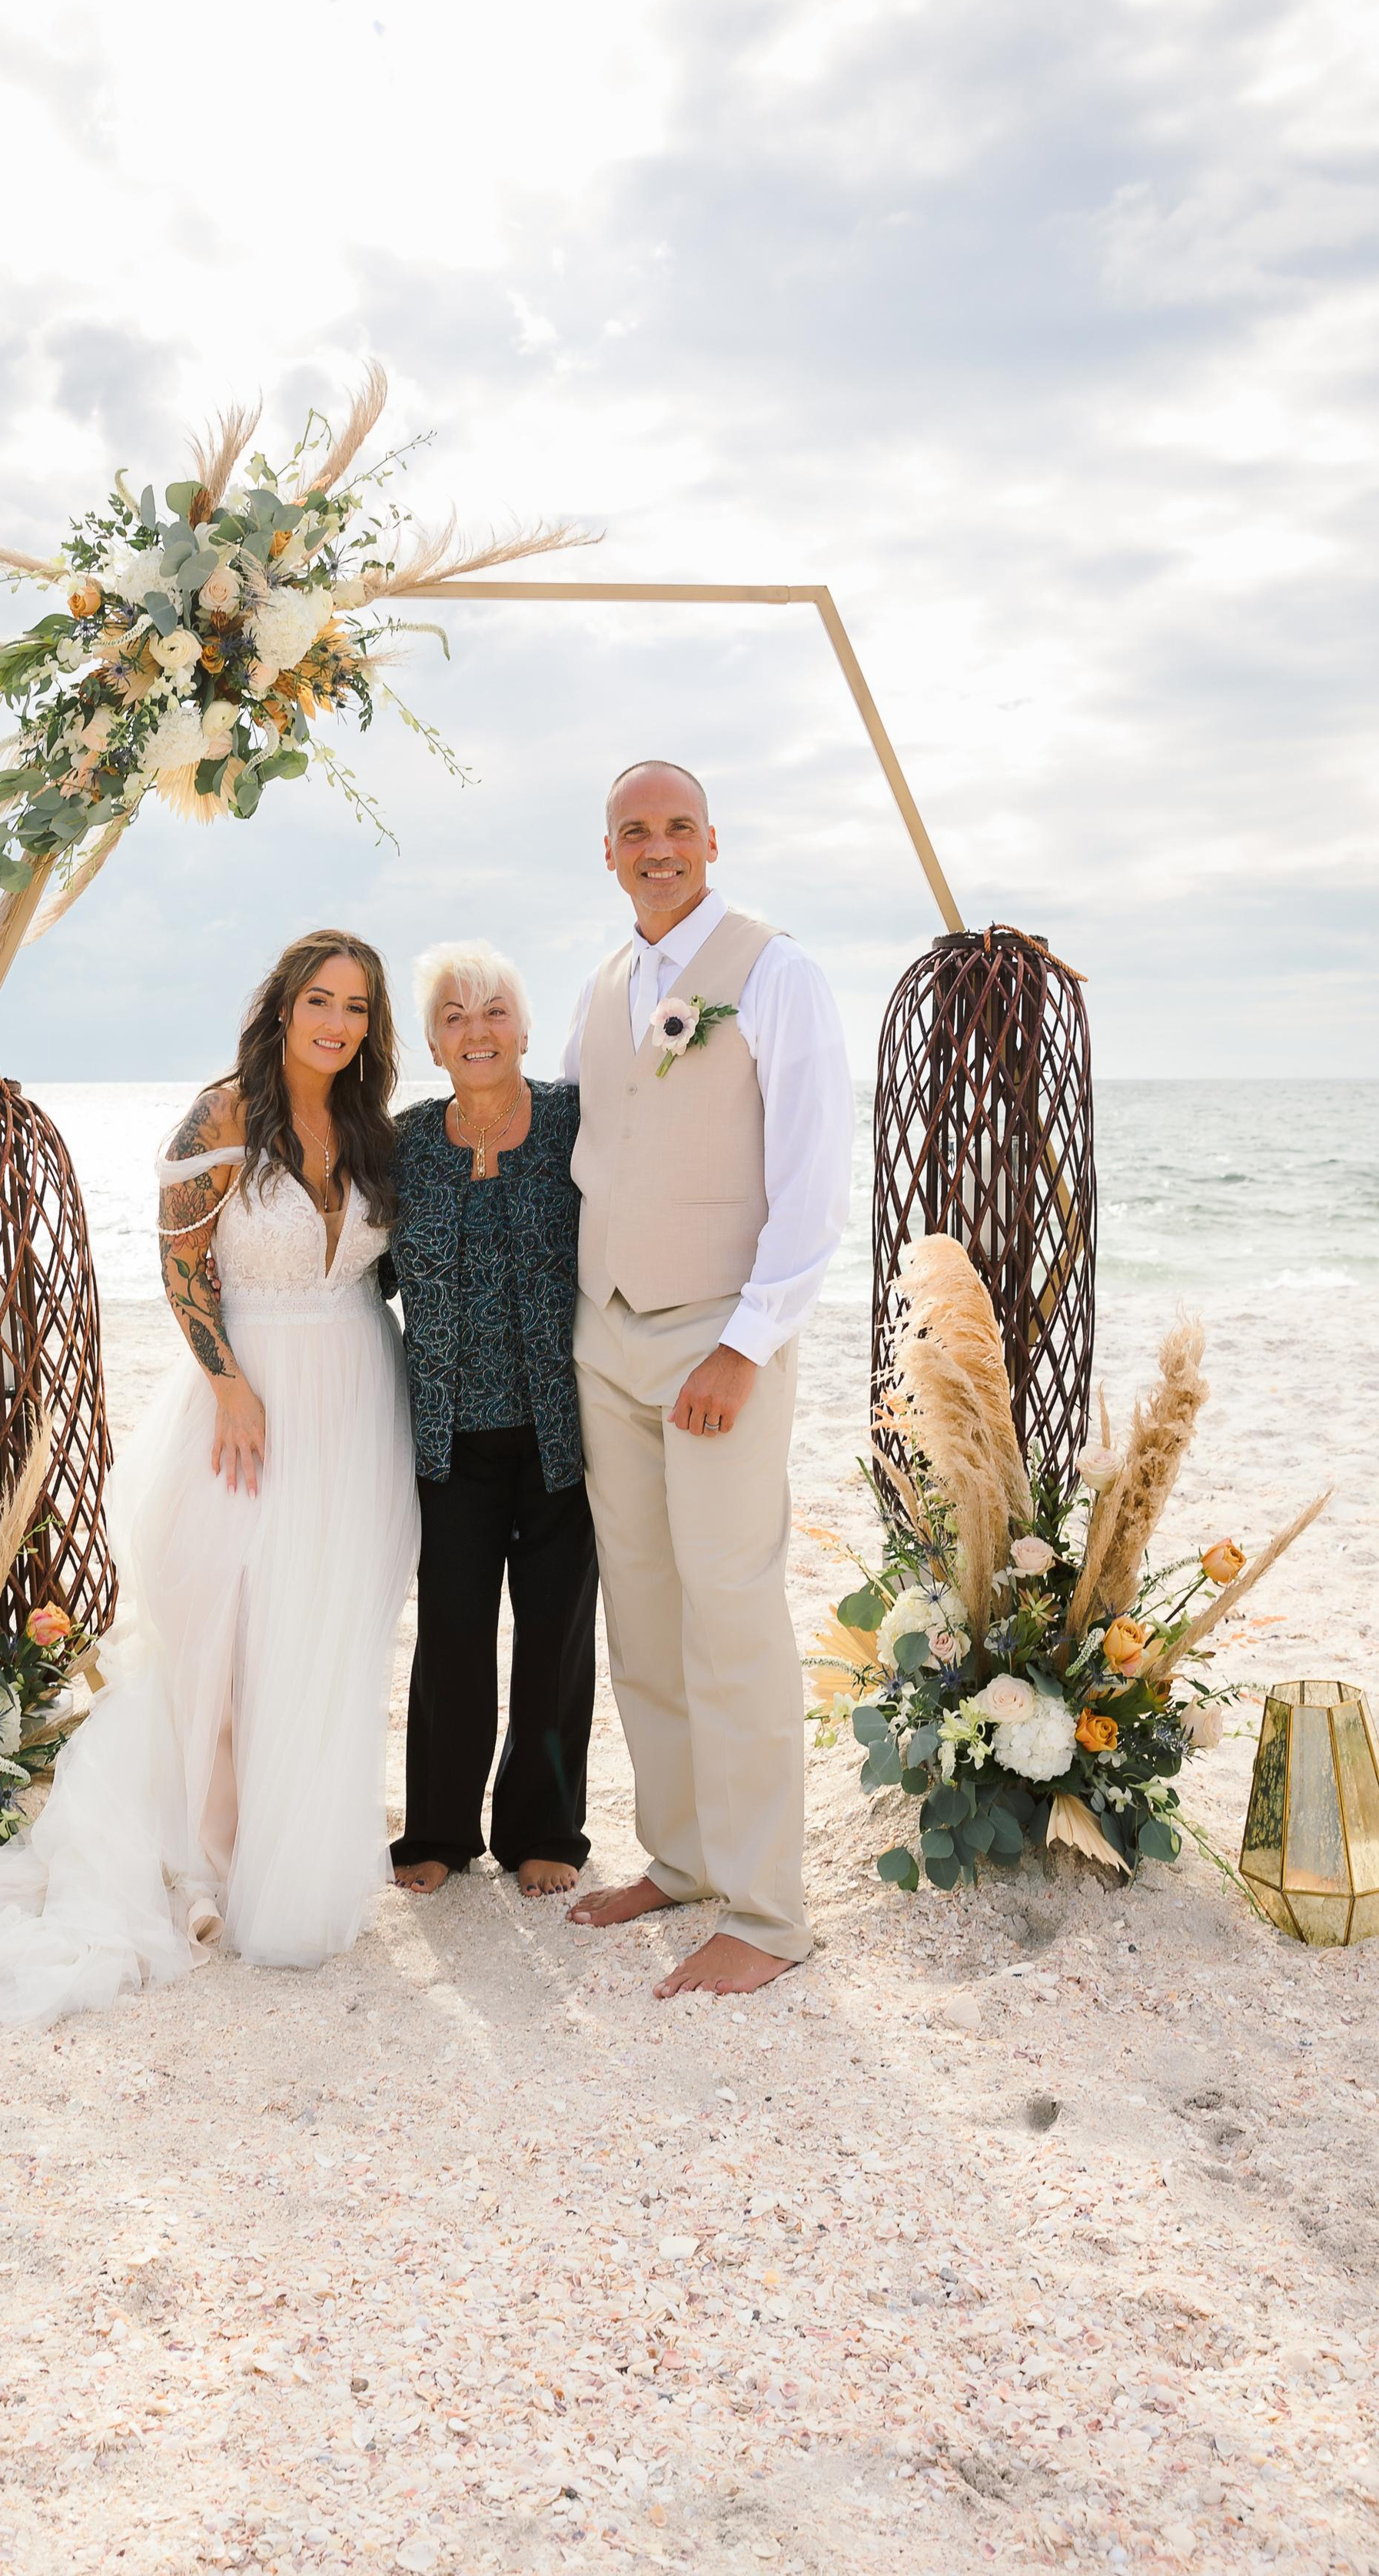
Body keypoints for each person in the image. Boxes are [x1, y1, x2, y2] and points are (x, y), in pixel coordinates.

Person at [0, 929, 419, 2021]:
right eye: (321, 1000)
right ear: (281, 1009)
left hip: (359, 1390)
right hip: (247, 1391)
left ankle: (291, 1855)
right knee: (216, 1621)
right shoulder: (223, 1114)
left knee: (315, 1629)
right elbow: (180, 1267)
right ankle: (196, 1864)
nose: (339, 1023)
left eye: (358, 1007)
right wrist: (228, 1385)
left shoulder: (369, 1127)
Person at [563, 762, 852, 1999]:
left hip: (718, 1336)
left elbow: (813, 1176)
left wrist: (748, 1341)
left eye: (679, 826)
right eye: (637, 831)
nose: (659, 846)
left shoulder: (777, 972)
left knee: (730, 1615)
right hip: (606, 1335)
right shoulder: (607, 985)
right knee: (642, 1612)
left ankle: (767, 1911)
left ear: (712, 840)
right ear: (611, 854)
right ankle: (679, 1862)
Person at [384, 942, 597, 1900]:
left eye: (495, 1010)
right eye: (456, 1017)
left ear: (524, 1025)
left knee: (554, 1637)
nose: (478, 1031)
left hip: (565, 1430)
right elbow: (355, 1266)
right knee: (453, 1634)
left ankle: (543, 1829)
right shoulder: (400, 1144)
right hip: (445, 1437)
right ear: (432, 1042)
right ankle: (435, 1830)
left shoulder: (572, 1122)